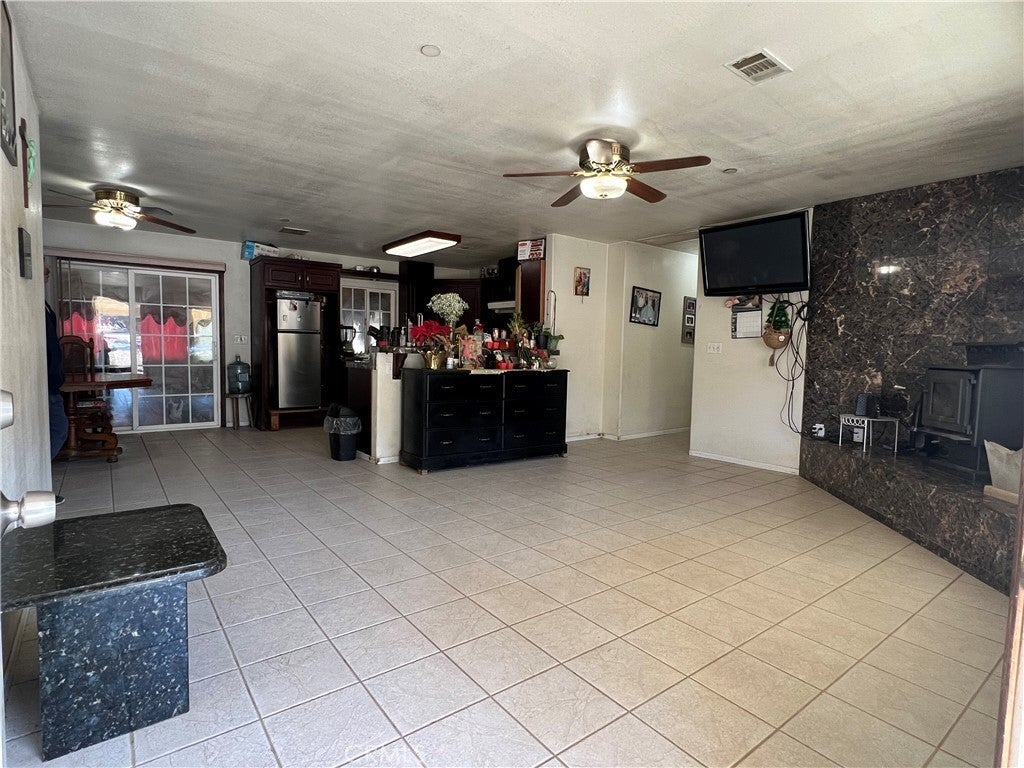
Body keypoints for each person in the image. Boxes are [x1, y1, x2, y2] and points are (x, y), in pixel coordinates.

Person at [44, 266, 66, 504]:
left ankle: (38, 480)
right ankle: (38, 480)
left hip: (51, 381)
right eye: (45, 272)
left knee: (56, 429)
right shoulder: (38, 306)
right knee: (59, 429)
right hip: (49, 381)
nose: (47, 276)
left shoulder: (43, 305)